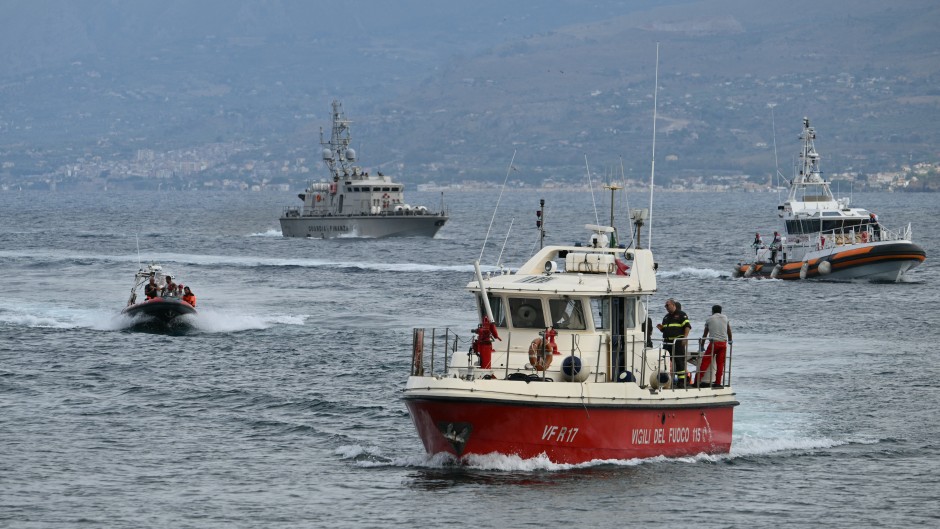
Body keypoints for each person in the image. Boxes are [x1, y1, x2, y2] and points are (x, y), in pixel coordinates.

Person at [657, 298, 691, 388]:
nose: (666, 307)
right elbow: (665, 329)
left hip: (677, 342)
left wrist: (685, 338)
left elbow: (687, 326)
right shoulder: (666, 317)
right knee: (665, 361)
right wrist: (661, 329)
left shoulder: (681, 315)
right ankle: (667, 380)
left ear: (673, 305)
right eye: (665, 306)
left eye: (667, 305)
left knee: (679, 361)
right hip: (667, 342)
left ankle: (681, 381)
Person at [698, 305, 733, 388]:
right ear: (721, 311)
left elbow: (705, 334)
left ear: (712, 311)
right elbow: (729, 331)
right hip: (723, 344)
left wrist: (702, 345)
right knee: (720, 364)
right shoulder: (725, 318)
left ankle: (697, 381)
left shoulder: (709, 319)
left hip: (714, 344)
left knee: (705, 362)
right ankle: (718, 383)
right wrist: (730, 340)